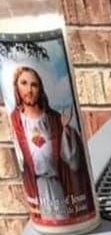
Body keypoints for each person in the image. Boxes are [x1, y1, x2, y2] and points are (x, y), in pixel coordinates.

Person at [9, 65, 94, 223]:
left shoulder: (54, 120)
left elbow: (73, 162)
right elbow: (22, 163)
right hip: (37, 188)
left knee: (62, 221)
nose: (29, 89)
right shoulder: (17, 121)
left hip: (56, 186)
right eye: (24, 83)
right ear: (17, 87)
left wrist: (66, 129)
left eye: (34, 85)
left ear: (40, 89)